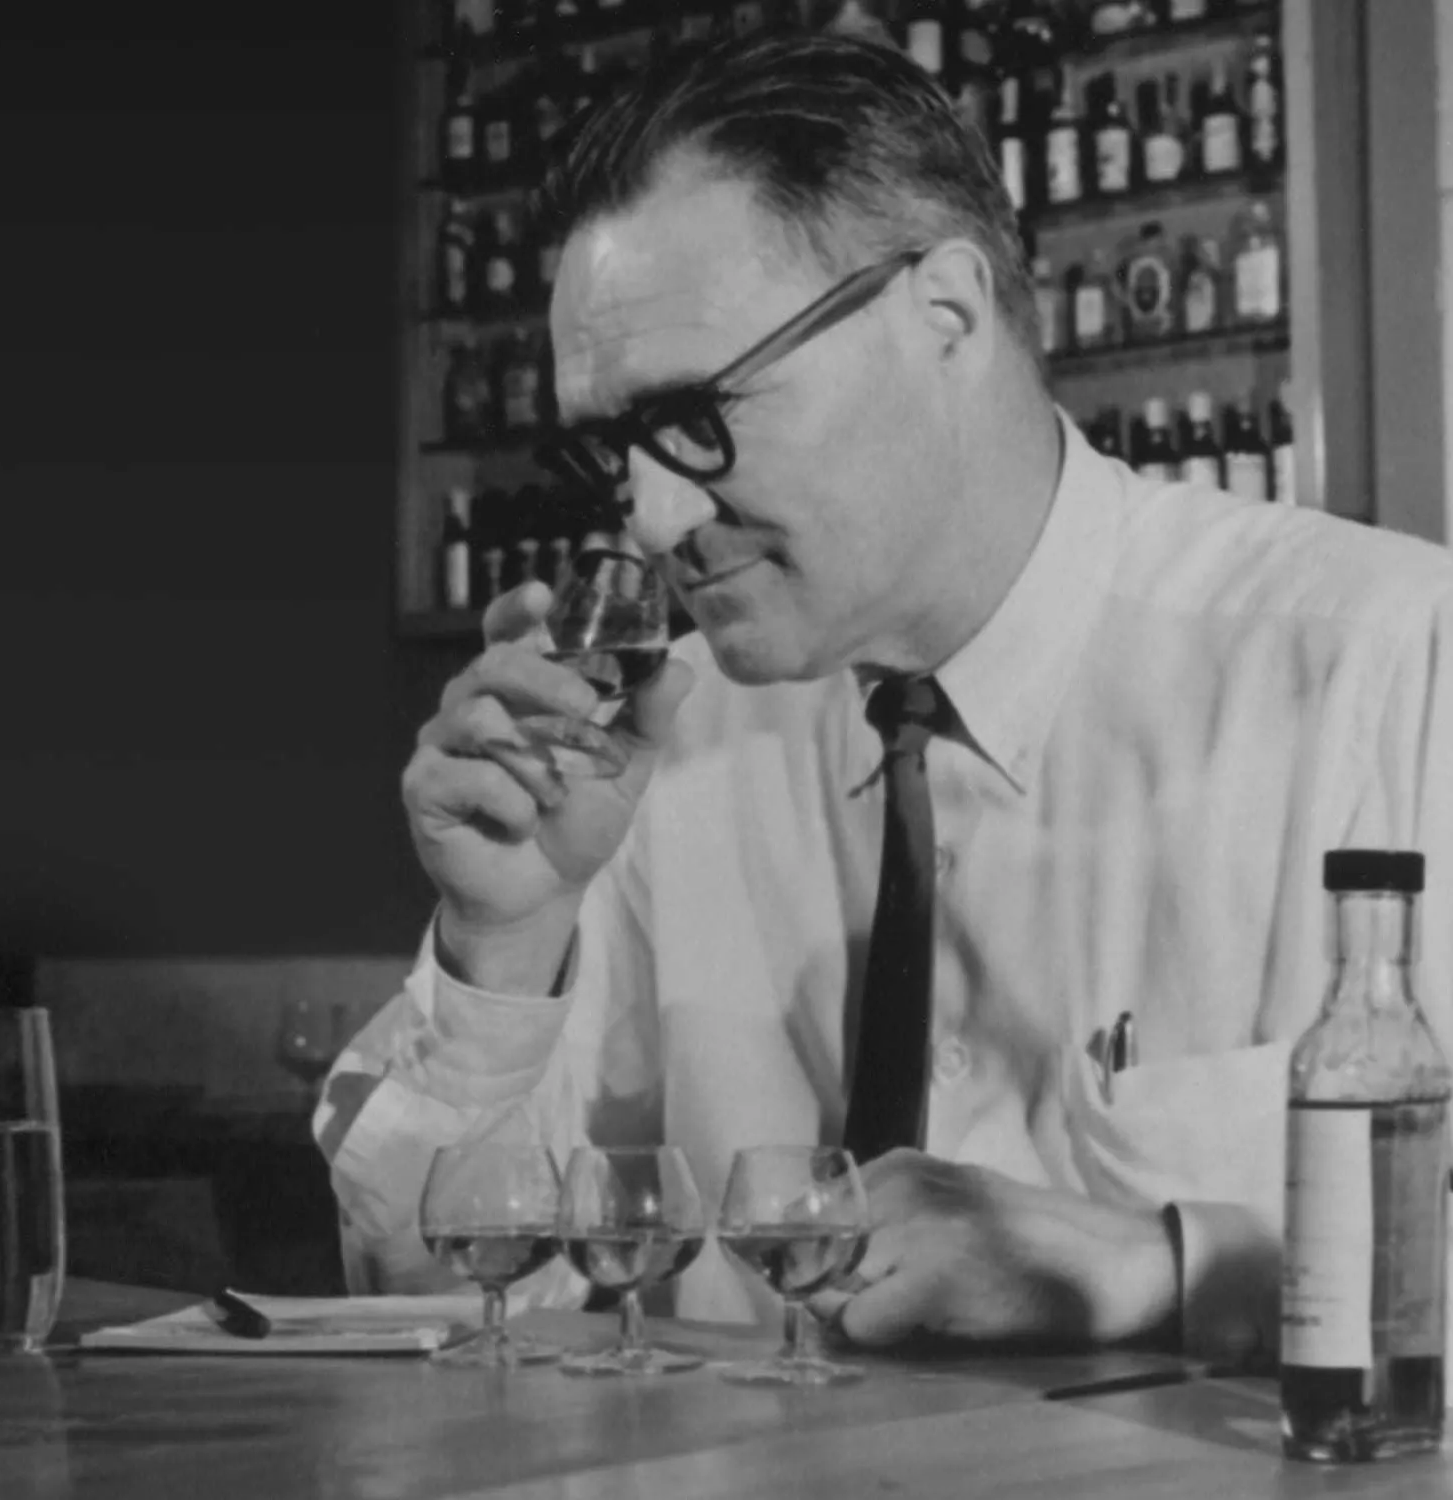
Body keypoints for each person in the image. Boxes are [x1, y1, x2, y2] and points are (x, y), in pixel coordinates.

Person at [315, 30, 1453, 1362]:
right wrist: (498, 955)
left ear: (947, 315)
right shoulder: (653, 752)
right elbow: (427, 1304)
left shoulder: (1387, 662)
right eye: (613, 446)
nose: (657, 515)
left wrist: (1169, 1266)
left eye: (698, 413)